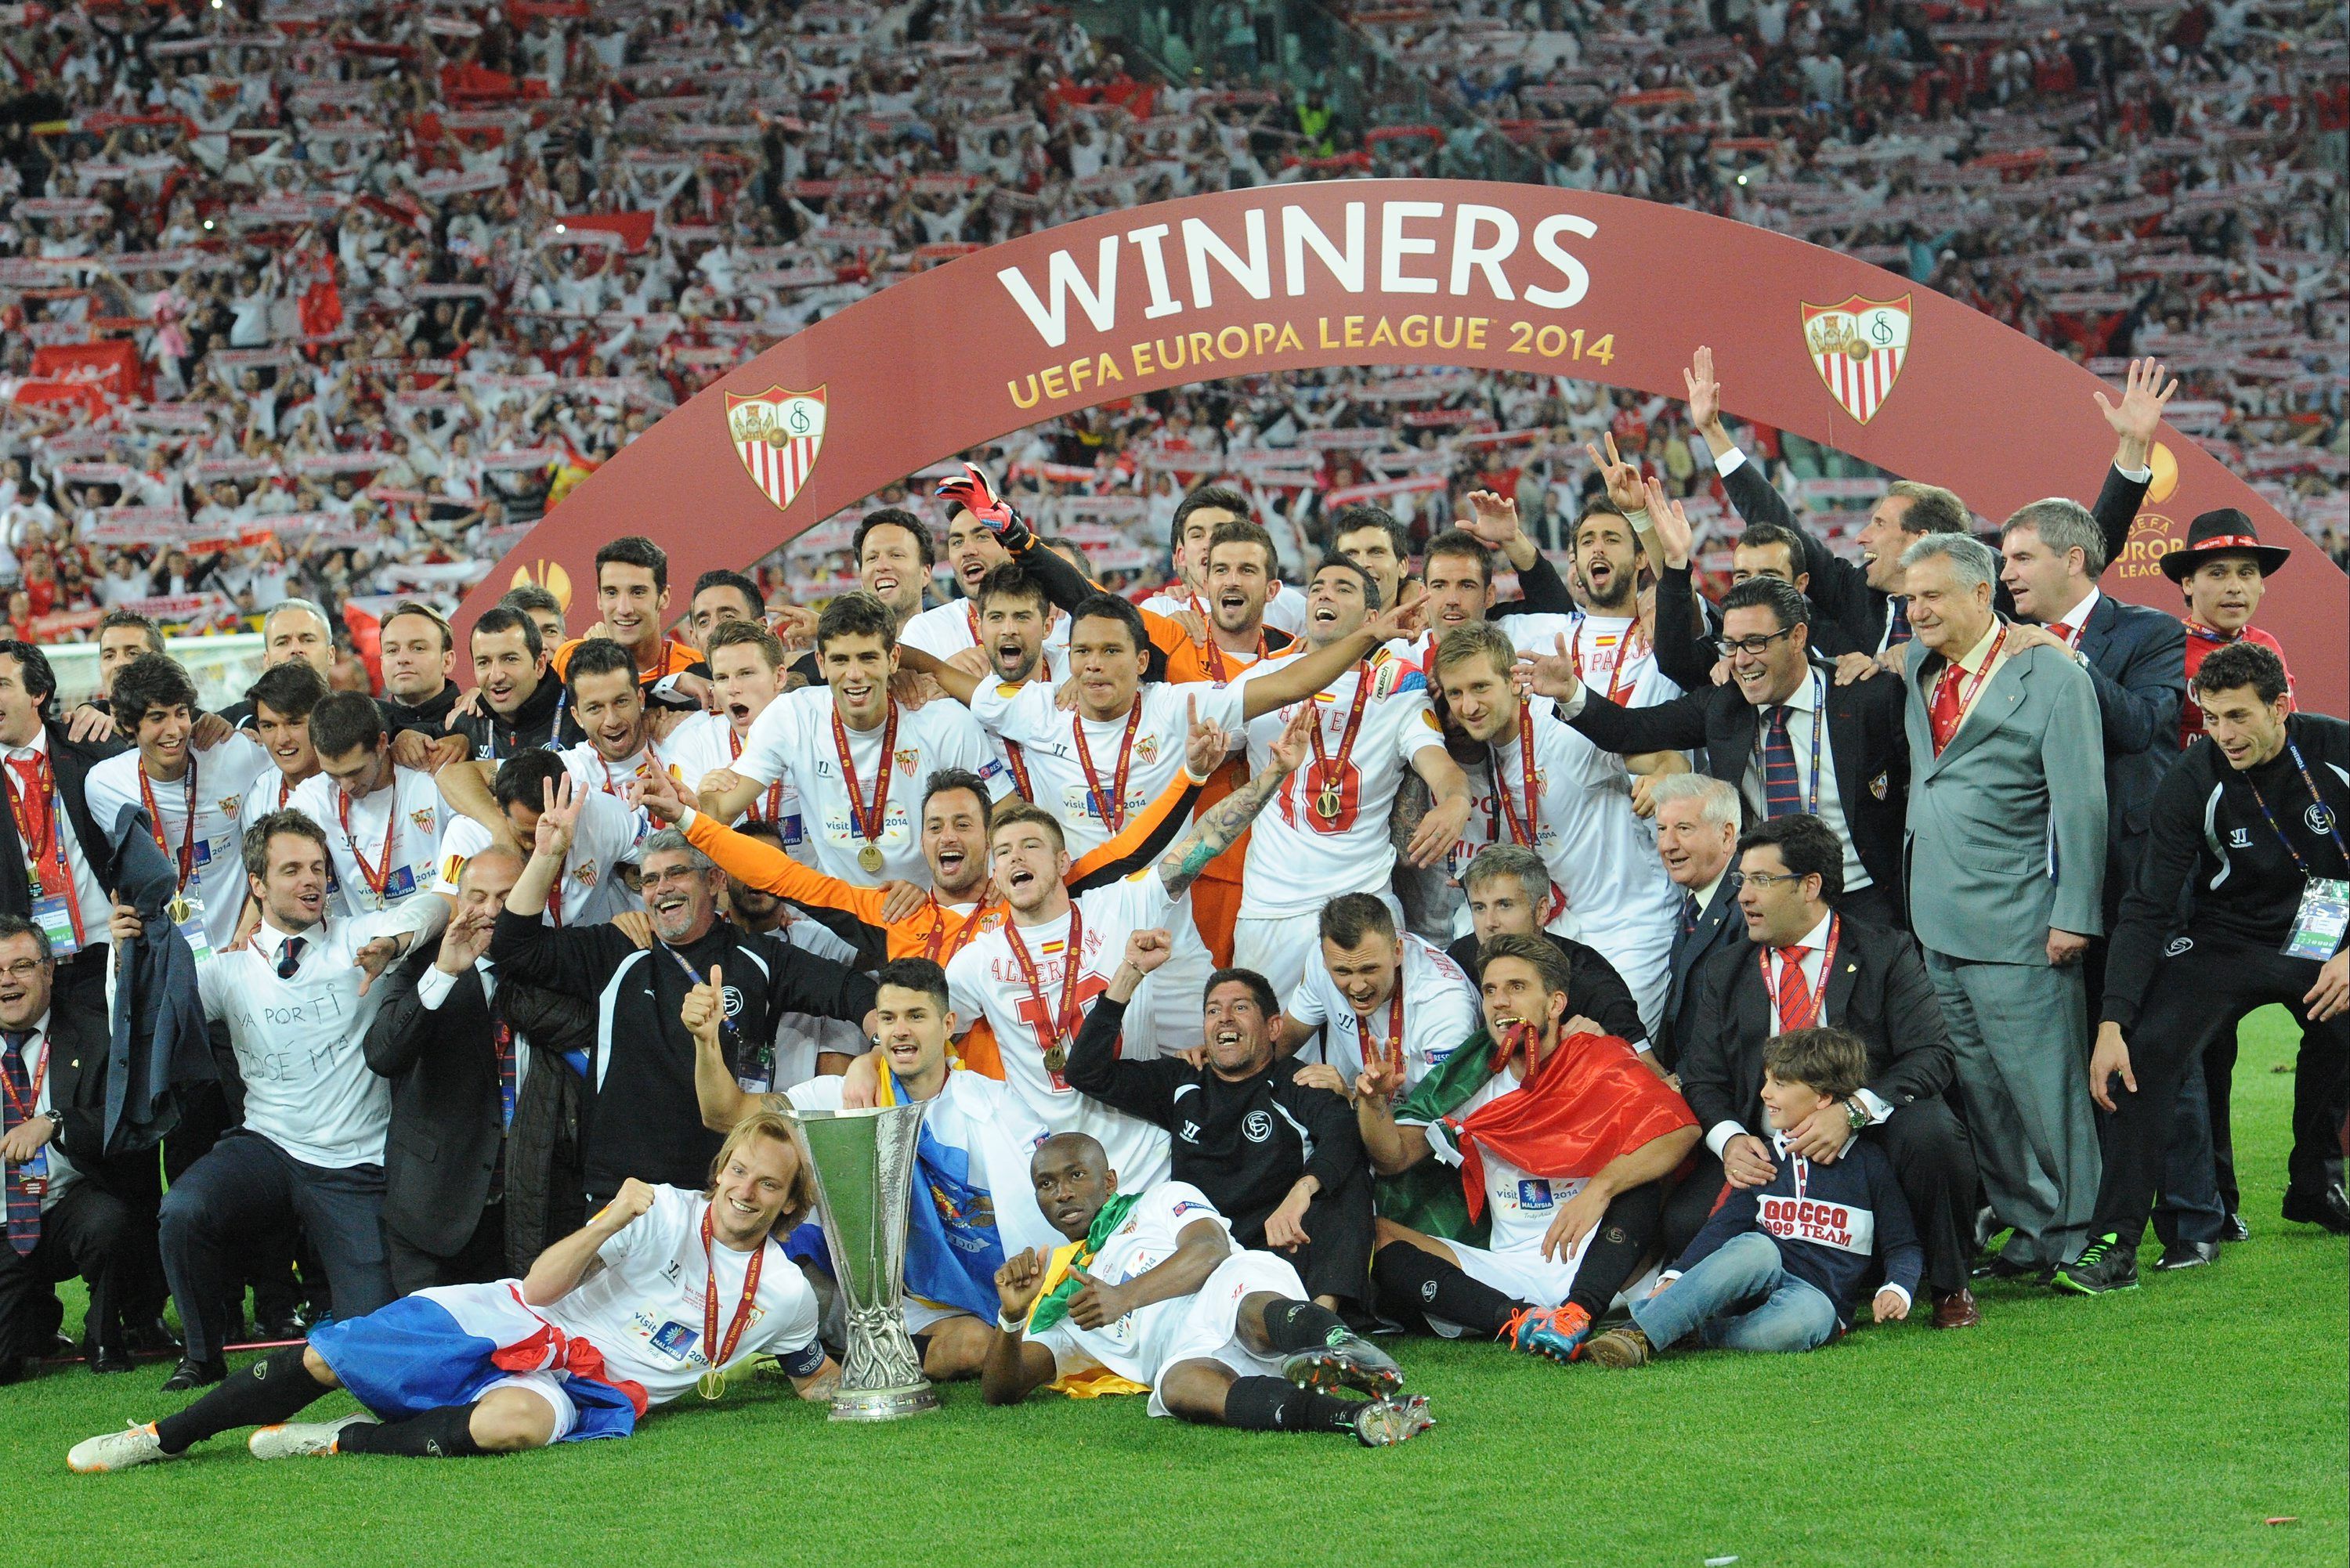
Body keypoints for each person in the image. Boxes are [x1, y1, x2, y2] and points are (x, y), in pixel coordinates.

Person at [67, 1112, 837, 1471]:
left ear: (788, 1200)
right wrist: (609, 1220)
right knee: (333, 1355)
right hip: (521, 1313)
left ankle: (342, 1437)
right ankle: (162, 1436)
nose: (744, 1190)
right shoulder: (662, 1207)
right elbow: (541, 1282)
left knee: (511, 1425)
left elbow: (815, 1379)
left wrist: (909, 1367)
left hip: (589, 1382)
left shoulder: (786, 1293)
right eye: (737, 1170)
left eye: (767, 1183)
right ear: (721, 1168)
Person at [913, 587, 1419, 1045]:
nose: (1094, 665)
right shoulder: (1036, 708)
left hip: (1167, 936)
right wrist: (904, 665)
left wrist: (1369, 637)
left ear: (1141, 661)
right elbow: (950, 679)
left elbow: (1286, 685)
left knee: (1220, 1064)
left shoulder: (1178, 707)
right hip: (1079, 942)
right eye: (1083, 651)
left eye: (1111, 651)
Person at [2057, 645, 2350, 1294]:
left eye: (2239, 717)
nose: (2225, 734)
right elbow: (2147, 905)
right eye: (2212, 717)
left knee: (2340, 1030)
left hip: (2330, 932)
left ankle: (2315, 1178)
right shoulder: (2194, 776)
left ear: (2280, 707)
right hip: (2228, 937)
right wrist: (2113, 1023)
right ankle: (2113, 1244)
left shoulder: (2337, 750)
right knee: (2146, 1055)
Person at [945, 703, 1318, 1186]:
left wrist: (1275, 773)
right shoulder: (977, 960)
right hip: (1049, 1174)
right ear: (994, 873)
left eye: (1030, 845)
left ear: (1062, 862)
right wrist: (871, 1058)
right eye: (1003, 852)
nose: (1016, 856)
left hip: (1147, 1157)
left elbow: (1204, 841)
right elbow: (931, 1026)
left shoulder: (1120, 905)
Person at [154, 810, 450, 1388]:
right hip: (266, 1146)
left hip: (353, 1163)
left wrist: (395, 942)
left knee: (372, 1338)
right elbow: (151, 1008)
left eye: (317, 868)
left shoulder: (360, 939)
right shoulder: (229, 967)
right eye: (291, 870)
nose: (310, 881)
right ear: (257, 885)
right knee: (182, 1210)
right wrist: (124, 952)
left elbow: (438, 905)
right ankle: (202, 1354)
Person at [490, 779, 878, 1203]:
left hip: (724, 1190)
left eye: (676, 873)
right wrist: (547, 857)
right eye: (650, 880)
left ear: (714, 881)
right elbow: (514, 947)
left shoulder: (760, 958)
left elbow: (854, 993)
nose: (662, 889)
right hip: (620, 1190)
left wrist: (875, 1055)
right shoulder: (616, 948)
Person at [1675, 815, 1979, 1327]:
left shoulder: (1884, 951)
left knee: (1932, 1134)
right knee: (1683, 1222)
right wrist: (1729, 1141)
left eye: (1761, 881)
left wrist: (1854, 1112)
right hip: (1770, 1145)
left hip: (1867, 1139)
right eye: (1741, 881)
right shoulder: (1725, 970)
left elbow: (1932, 1055)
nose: (1744, 896)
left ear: (1810, 885)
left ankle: (1950, 1285)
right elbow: (1702, 1077)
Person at [1898, 532, 2107, 1278]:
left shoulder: (2051, 675)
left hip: (2020, 919)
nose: (1916, 611)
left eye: (1932, 596)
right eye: (1910, 597)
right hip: (1937, 918)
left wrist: (2076, 913)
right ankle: (2026, 1226)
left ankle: (2078, 1227)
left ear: (1982, 594)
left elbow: (2082, 805)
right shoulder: (1919, 664)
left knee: (2045, 1090)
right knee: (1984, 1095)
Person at [688, 956, 1055, 1380]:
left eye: (916, 1016)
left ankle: (857, 1353)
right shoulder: (839, 1096)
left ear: (948, 1023)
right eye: (888, 1018)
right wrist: (706, 1042)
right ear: (876, 1029)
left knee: (980, 1348)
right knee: (973, 1348)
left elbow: (1044, 1198)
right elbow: (726, 1114)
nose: (900, 1029)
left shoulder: (995, 1106)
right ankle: (841, 1347)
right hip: (863, 1291)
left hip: (968, 1294)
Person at [1362, 934, 1700, 1363]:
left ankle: (1579, 1312)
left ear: (1556, 1004)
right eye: (1490, 990)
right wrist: (1371, 1105)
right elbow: (1393, 1158)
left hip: (1601, 1259)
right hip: (1510, 1267)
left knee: (1640, 1174)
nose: (1500, 1002)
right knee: (1375, 1234)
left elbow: (1680, 1130)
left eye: (1517, 988)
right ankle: (1518, 1320)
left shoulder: (1600, 1060)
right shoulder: (1471, 1074)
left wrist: (1600, 1189)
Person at [981, 1132, 1430, 1446]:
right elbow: (1003, 1389)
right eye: (1046, 1184)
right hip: (1190, 1349)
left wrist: (1124, 1297)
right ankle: (1353, 1417)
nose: (1061, 1193)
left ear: (1109, 1181)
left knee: (1249, 1312)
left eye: (1075, 1175)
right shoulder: (1064, 1295)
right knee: (1177, 1388)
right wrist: (1012, 1317)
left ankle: (1344, 1347)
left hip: (1230, 1289)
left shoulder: (1160, 1198)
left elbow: (1209, 1250)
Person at [1546, 569, 1911, 930]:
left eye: (1755, 642)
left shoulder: (1867, 696)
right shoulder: (1724, 706)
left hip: (1862, 898)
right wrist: (1570, 693)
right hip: (1767, 905)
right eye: (1732, 645)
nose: (1741, 660)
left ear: (1798, 637)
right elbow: (1630, 730)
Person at [1068, 931, 1374, 1311]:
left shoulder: (1299, 1082)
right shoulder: (1182, 1080)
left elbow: (1342, 1136)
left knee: (1344, 1181)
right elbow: (1084, 1072)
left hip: (1281, 1243)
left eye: (1240, 1008)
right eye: (1213, 1011)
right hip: (1202, 1255)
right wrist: (1129, 975)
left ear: (1274, 1027)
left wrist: (1302, 1190)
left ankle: (1325, 1321)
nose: (1224, 1018)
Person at [1584, 1028, 1923, 1366]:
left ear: (1822, 1098)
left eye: (1780, 1084)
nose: (1764, 1093)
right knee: (1757, 1248)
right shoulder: (1764, 1158)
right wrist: (1676, 1275)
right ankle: (1635, 1334)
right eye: (1766, 1081)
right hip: (1753, 1281)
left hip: (1815, 1300)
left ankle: (1692, 1335)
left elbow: (1903, 1244)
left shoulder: (1870, 1165)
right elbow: (1723, 1228)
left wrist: (1897, 1287)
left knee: (1809, 1316)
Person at [1230, 559, 1466, 1003]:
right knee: (1264, 1048)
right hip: (1272, 906)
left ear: (1372, 619)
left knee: (1372, 1050)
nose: (1324, 594)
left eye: (1343, 589)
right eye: (1317, 587)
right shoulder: (1266, 678)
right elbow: (1204, 742)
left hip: (1365, 902)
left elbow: (1438, 762)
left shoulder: (1397, 684)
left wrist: (1455, 799)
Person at [1437, 623, 1685, 1032]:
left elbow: (1667, 759)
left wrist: (1662, 780)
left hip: (1628, 922)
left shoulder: (1560, 734)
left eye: (1481, 687)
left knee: (1616, 1054)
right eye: (1456, 693)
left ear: (1514, 682)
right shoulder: (1489, 750)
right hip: (1561, 927)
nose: (1468, 706)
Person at [701, 592, 1008, 888]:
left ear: (893, 659)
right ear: (821, 663)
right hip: (846, 918)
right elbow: (719, 811)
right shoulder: (792, 718)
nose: (855, 674)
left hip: (930, 911)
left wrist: (994, 884)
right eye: (840, 660)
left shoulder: (944, 722)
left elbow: (1006, 814)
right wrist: (690, 803)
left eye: (868, 658)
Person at [360, 848, 530, 1293]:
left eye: (506, 897)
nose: (491, 911)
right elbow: (383, 1055)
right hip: (433, 1208)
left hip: (526, 1210)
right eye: (478, 896)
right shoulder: (423, 964)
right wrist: (445, 972)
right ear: (459, 900)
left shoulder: (550, 962)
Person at [0, 912, 154, 1379]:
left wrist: (55, 1121)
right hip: (3, 1217)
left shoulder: (94, 1033)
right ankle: (35, 1323)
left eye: (21, 966)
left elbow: (122, 1117)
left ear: (49, 969)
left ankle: (105, 1334)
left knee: (107, 1219)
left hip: (68, 1202)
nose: (6, 981)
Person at [85, 653, 271, 957]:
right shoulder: (104, 785)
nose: (174, 730)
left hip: (240, 951)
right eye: (158, 718)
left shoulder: (235, 753)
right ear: (131, 724)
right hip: (165, 958)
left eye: (180, 713)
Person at [1441, 846, 1653, 1065]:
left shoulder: (1587, 976)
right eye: (1479, 908)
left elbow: (1654, 1075)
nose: (1490, 923)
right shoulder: (1460, 960)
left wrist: (1609, 1048)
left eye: (1504, 905)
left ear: (1542, 910)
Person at [0, 641, 125, 990]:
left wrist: (105, 712)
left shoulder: (89, 748)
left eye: (2, 684)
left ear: (38, 693)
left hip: (106, 953)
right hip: (22, 972)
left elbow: (160, 742)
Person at [1283, 893, 1480, 1094]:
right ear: (1325, 959)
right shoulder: (1323, 960)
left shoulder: (1444, 1005)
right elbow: (1285, 1039)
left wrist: (1349, 1101)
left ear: (1397, 952)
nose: (1357, 986)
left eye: (1369, 969)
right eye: (1343, 971)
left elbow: (1438, 1119)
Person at [290, 692, 449, 916]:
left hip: (438, 930)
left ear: (382, 743)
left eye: (355, 771)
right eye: (333, 774)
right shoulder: (312, 798)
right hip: (366, 941)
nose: (345, 786)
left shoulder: (429, 779)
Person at [658, 620, 806, 854]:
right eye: (722, 678)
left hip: (815, 884)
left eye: (746, 674)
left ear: (779, 678)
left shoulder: (813, 730)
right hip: (733, 886)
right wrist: (701, 804)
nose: (732, 688)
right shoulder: (693, 743)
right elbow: (681, 850)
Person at [2161, 510, 2297, 751]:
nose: (2235, 587)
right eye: (2217, 573)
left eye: (2246, 573)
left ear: (2261, 584)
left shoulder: (2266, 645)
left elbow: (2291, 733)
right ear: (2188, 583)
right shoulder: (2165, 650)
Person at [1647, 776, 1745, 1071]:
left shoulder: (1748, 906)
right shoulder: (1696, 897)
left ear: (1727, 835)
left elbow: (1737, 1026)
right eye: (1662, 830)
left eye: (1684, 829)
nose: (1667, 845)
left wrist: (1680, 1081)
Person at [1141, 484, 1307, 639]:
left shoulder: (1287, 605)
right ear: (1181, 557)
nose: (1209, 544)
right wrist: (1164, 636)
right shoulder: (1159, 612)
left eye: (1222, 531)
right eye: (1197, 535)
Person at [547, 537, 707, 693]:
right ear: (599, 599)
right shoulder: (569, 658)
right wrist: (596, 662)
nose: (624, 609)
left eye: (637, 592)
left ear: (664, 597)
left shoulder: (696, 667)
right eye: (611, 592)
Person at [447, 606, 566, 760]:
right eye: (484, 662)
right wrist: (406, 737)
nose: (496, 676)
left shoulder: (580, 716)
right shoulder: (467, 726)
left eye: (510, 659)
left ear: (540, 665)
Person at [376, 601, 460, 736]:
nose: (402, 659)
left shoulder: (482, 720)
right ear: (382, 664)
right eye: (392, 650)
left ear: (447, 662)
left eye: (418, 648)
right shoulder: (366, 731)